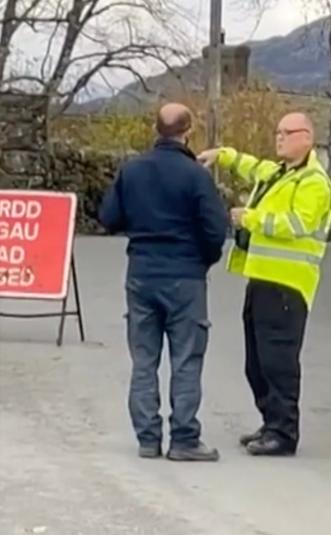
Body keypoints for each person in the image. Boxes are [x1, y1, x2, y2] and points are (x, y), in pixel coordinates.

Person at [197, 112, 331, 457]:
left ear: (307, 137)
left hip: (288, 284)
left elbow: (298, 223)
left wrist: (251, 218)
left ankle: (283, 432)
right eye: (278, 132)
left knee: (278, 362)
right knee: (256, 362)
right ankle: (270, 421)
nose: (279, 138)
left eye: (287, 133)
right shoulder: (279, 173)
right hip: (262, 278)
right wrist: (223, 155)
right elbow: (252, 167)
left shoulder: (314, 182)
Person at [99, 103, 228, 461]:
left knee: (144, 359)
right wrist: (203, 259)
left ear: (157, 130)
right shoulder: (196, 176)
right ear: (188, 131)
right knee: (186, 357)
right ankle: (184, 439)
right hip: (185, 276)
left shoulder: (132, 170)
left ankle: (147, 438)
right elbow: (215, 230)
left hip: (141, 273)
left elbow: (109, 217)